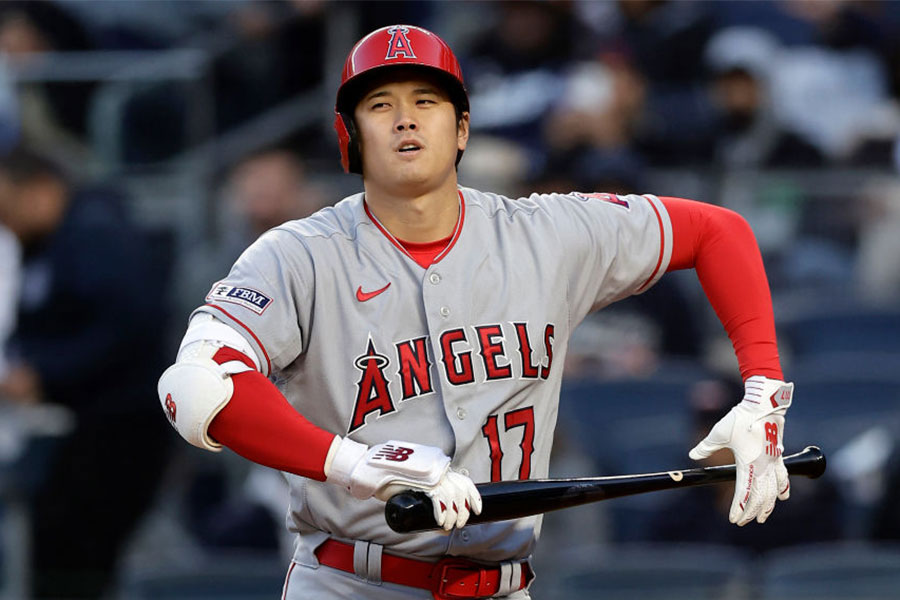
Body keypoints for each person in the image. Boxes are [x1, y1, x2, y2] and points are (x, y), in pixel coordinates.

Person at [158, 25, 795, 599]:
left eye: (426, 102)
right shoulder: (298, 255)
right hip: (353, 584)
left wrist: (763, 392)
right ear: (348, 137)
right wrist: (352, 463)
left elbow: (720, 232)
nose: (406, 120)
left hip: (501, 588)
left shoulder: (546, 233)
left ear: (462, 129)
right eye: (381, 105)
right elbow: (194, 389)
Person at [0, 147, 172, 598]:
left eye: (7, 205)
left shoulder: (98, 234)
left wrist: (45, 372)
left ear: (39, 189)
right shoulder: (47, 243)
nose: (5, 221)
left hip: (121, 430)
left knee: (74, 560)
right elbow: (35, 322)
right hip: (80, 430)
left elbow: (129, 326)